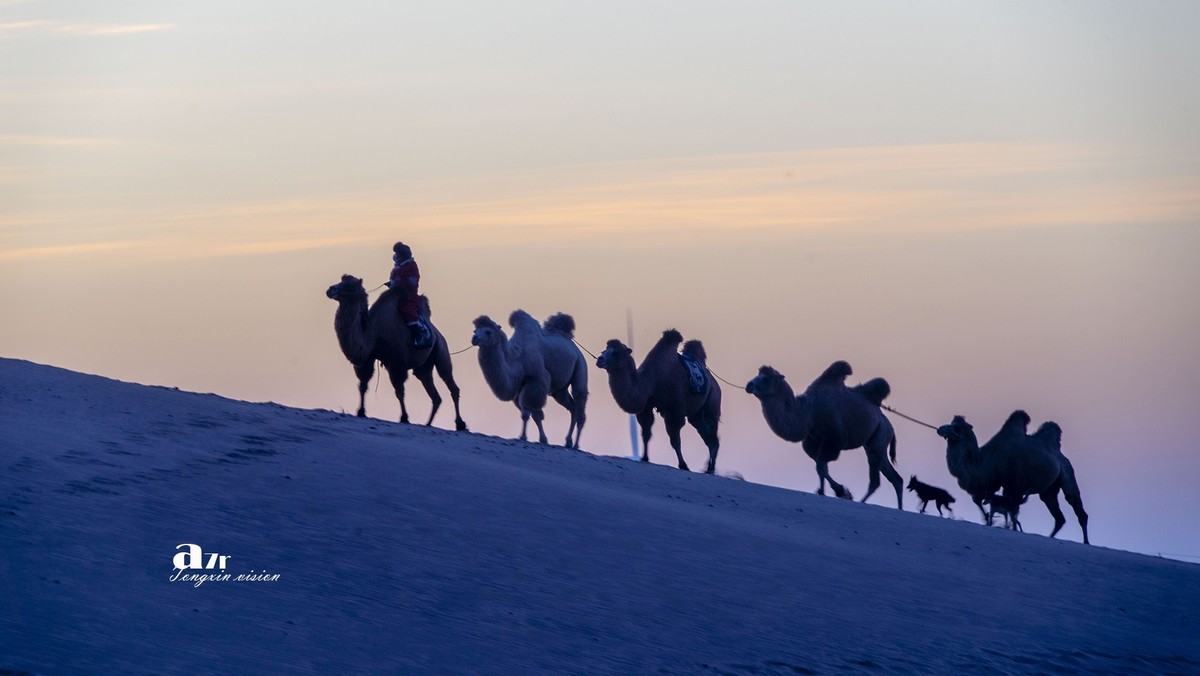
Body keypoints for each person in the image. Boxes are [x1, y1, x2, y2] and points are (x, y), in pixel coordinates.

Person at [386, 241, 432, 348]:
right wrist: (392, 284)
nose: (395, 256)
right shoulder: (398, 268)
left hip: (407, 297)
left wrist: (398, 286)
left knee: (408, 312)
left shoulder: (411, 267)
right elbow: (395, 280)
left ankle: (420, 335)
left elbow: (411, 283)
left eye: (397, 254)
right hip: (394, 297)